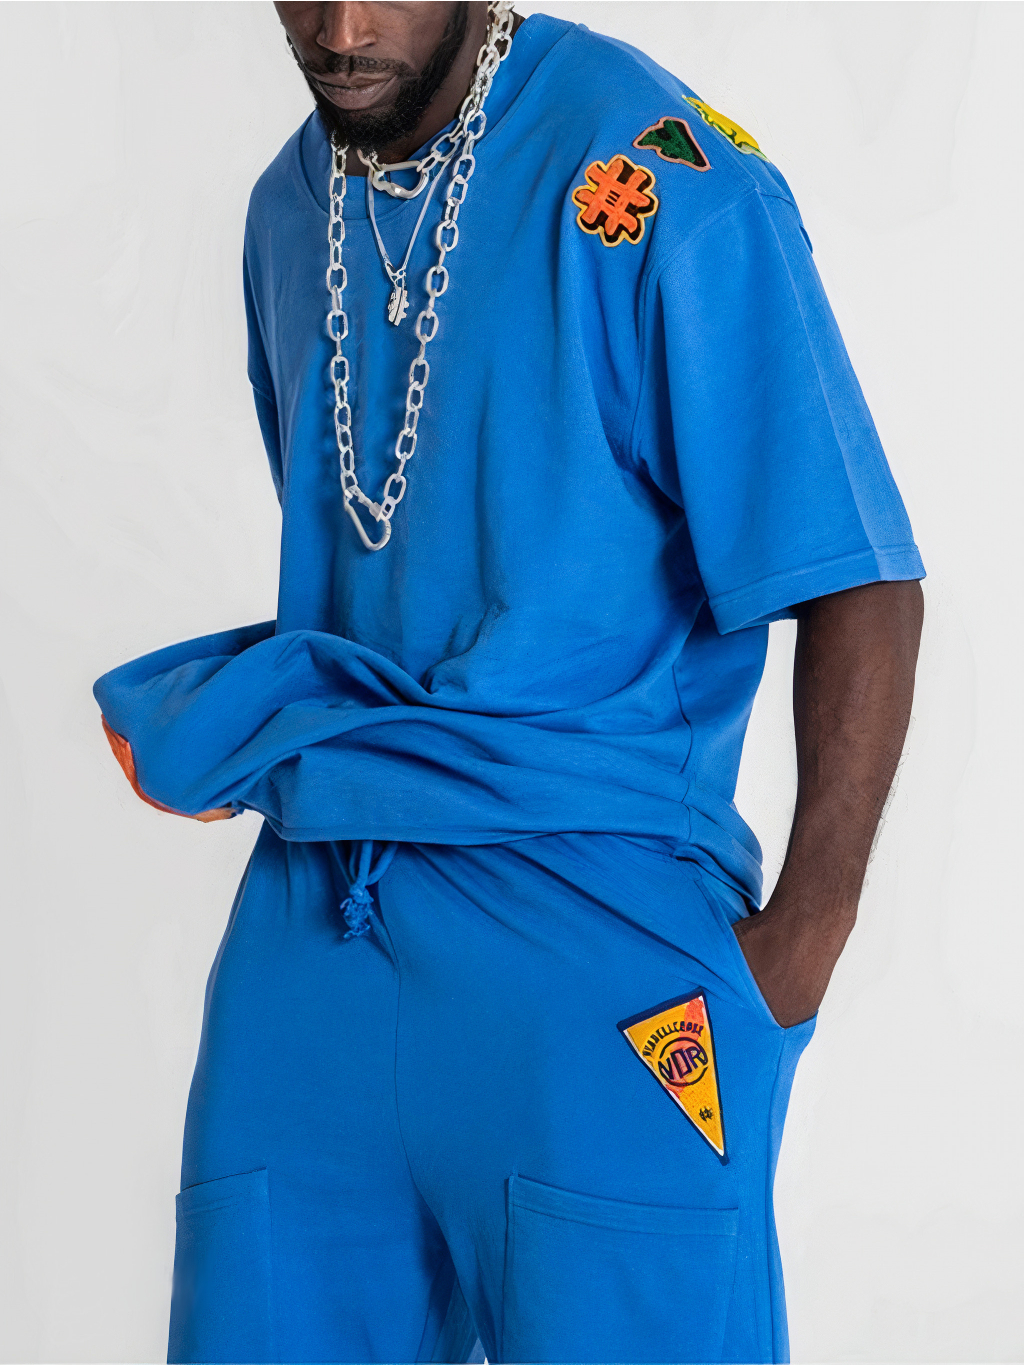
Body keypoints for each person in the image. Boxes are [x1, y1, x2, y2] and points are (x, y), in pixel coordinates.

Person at [94, 4, 925, 1362]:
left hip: (597, 935)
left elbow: (856, 573)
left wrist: (797, 951)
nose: (341, 26)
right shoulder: (284, 211)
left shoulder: (655, 172)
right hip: (315, 928)